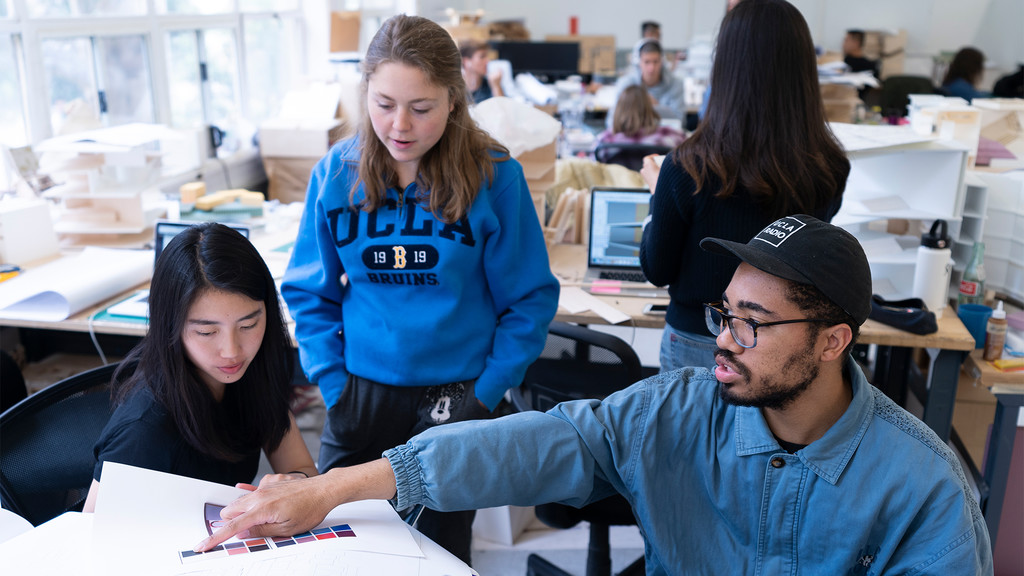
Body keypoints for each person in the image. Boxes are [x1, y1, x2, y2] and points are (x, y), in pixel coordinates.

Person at [196, 215, 993, 575]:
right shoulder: (679, 409)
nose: (723, 339)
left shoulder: (920, 487)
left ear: (832, 341)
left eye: (754, 324)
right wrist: (333, 487)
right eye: (724, 314)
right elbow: (534, 443)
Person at [278, 14, 559, 565]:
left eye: (421, 107)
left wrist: (486, 394)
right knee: (338, 549)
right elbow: (309, 292)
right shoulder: (337, 172)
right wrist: (333, 384)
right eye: (383, 104)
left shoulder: (495, 175)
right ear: (366, 95)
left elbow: (528, 300)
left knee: (437, 554)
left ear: (454, 99)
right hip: (358, 393)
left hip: (458, 397)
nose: (400, 125)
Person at [638, 0, 850, 372]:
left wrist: (658, 196)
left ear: (725, 68)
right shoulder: (829, 166)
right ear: (803, 69)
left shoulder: (686, 166)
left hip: (698, 338)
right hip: (782, 347)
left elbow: (657, 270)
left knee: (692, 432)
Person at [84, 222, 317, 513]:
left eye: (248, 325)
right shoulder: (144, 429)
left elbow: (302, 467)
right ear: (171, 326)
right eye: (207, 333)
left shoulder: (251, 374)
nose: (232, 351)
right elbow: (91, 534)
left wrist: (294, 483)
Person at [609, 39, 685, 128]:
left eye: (655, 62)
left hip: (663, 138)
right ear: (639, 62)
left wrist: (652, 106)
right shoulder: (626, 85)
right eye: (647, 62)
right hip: (632, 137)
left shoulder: (675, 84)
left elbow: (680, 122)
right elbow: (612, 121)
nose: (651, 68)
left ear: (662, 62)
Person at [596, 85, 687, 149]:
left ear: (618, 110)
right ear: (650, 108)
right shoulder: (670, 134)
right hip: (652, 176)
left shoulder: (605, 140)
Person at [459, 39, 503, 104]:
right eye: (482, 57)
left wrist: (496, 86)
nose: (487, 61)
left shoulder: (491, 84)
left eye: (487, 56)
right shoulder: (455, 88)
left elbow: (504, 111)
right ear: (466, 61)